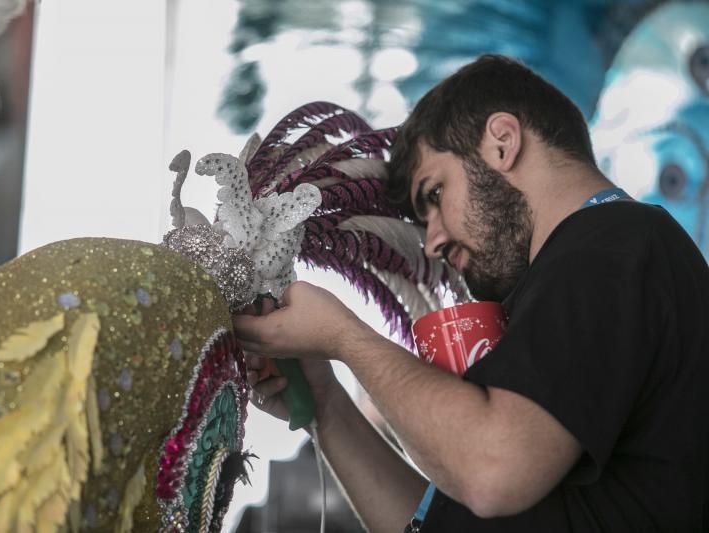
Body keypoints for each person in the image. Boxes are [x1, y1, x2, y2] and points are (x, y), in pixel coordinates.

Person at [232, 54, 709, 532]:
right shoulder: (597, 261)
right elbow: (445, 517)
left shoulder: (610, 243)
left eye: (434, 194)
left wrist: (347, 338)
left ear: (502, 142)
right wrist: (326, 405)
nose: (434, 241)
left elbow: (491, 471)